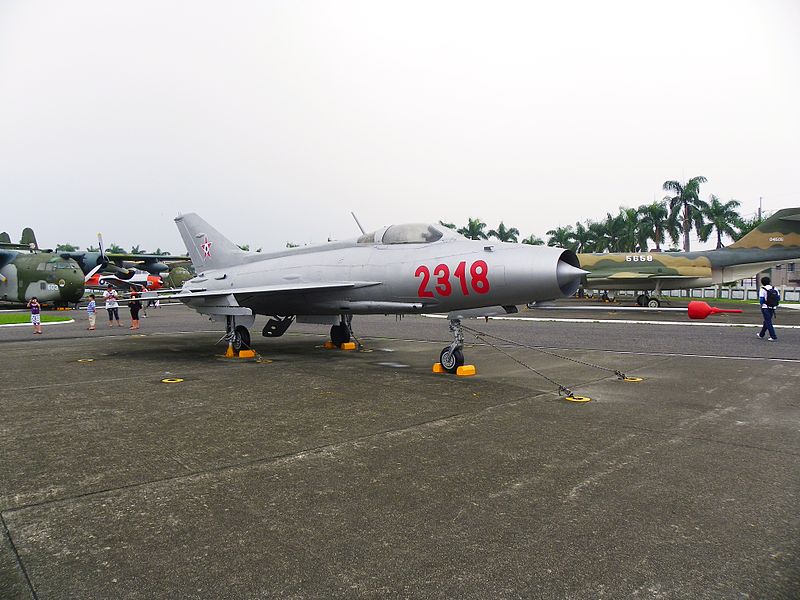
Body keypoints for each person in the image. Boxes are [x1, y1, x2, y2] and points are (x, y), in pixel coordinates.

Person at [757, 276, 778, 341]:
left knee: (768, 321)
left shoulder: (762, 289)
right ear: (769, 282)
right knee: (767, 321)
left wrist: (762, 305)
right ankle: (761, 334)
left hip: (765, 307)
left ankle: (773, 336)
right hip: (773, 307)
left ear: (762, 282)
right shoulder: (775, 288)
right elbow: (778, 298)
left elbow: (761, 299)